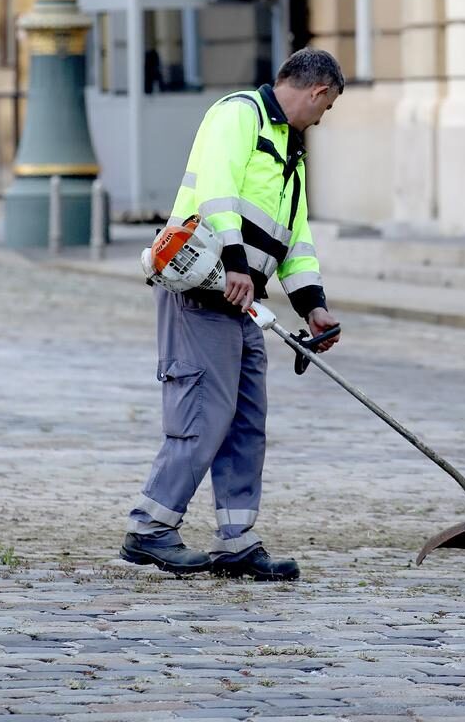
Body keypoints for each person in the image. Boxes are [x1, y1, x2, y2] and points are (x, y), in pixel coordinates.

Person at [120, 47, 345, 581]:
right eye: (327, 106)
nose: (323, 117)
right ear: (317, 91)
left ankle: (236, 540)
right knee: (204, 413)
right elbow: (218, 192)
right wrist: (239, 262)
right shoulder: (237, 114)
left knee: (246, 421)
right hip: (202, 289)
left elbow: (297, 237)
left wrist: (312, 305)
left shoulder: (289, 151)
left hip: (240, 301)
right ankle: (150, 528)